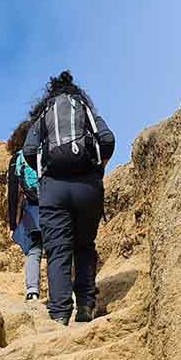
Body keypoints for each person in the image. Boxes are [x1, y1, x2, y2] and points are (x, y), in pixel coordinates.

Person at [22, 71, 115, 325]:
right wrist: (98, 168)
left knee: (57, 250)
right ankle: (85, 305)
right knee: (84, 246)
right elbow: (107, 140)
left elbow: (29, 150)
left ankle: (60, 314)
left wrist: (45, 173)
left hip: (54, 190)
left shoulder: (44, 115)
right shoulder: (83, 109)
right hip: (88, 187)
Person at [6, 119, 44, 302]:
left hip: (31, 211)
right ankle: (64, 290)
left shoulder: (17, 159)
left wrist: (13, 224)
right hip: (53, 206)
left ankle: (32, 291)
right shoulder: (45, 151)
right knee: (57, 248)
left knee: (34, 251)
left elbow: (13, 195)